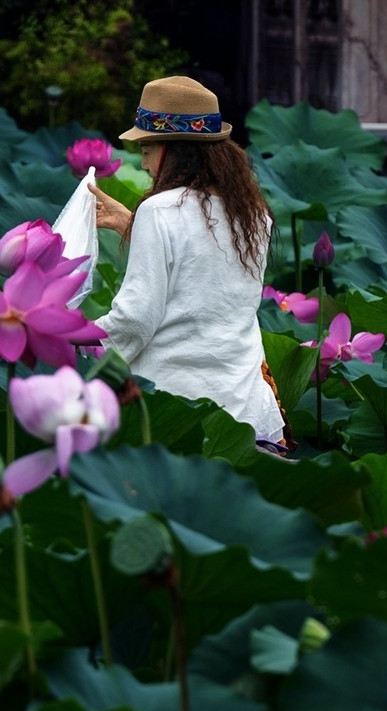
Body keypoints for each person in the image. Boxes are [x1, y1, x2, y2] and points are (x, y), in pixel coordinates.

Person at [88, 75, 289, 449]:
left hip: (177, 413)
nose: (145, 162)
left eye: (147, 148)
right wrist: (133, 226)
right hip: (248, 414)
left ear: (173, 149)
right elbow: (206, 268)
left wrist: (74, 338)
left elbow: (135, 320)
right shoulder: (252, 214)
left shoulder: (159, 211)